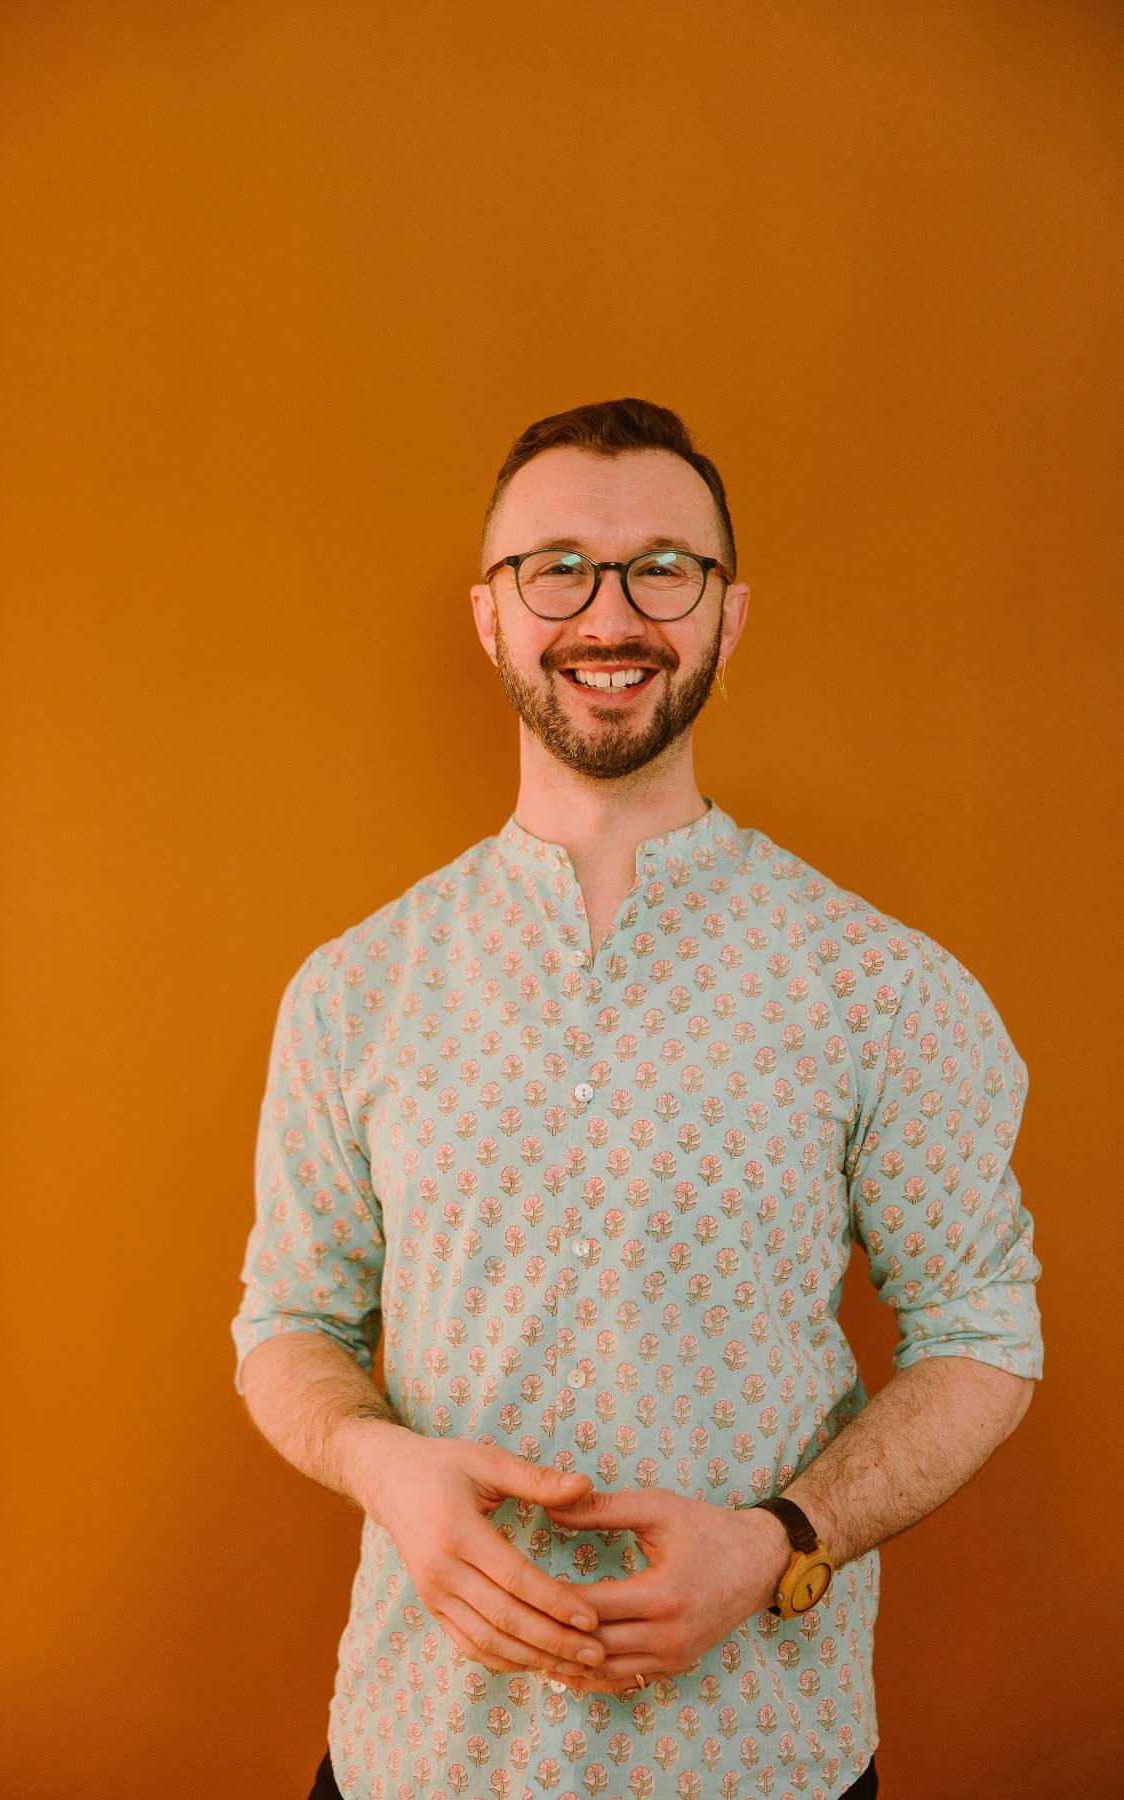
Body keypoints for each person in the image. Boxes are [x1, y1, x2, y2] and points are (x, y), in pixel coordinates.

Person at [230, 397, 1043, 1800]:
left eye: (665, 568)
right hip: (421, 1755)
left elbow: (984, 1335)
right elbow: (288, 1324)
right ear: (490, 615)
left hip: (764, 1763)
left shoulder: (884, 988)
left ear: (730, 612)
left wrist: (786, 1542)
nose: (610, 615)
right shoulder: (353, 990)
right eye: (557, 568)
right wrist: (379, 1466)